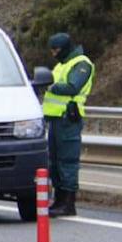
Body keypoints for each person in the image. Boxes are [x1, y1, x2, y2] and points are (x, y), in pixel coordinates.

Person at [42, 32, 94, 217]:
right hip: (55, 120)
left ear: (65, 48)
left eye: (56, 50)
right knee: (54, 162)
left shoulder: (81, 64)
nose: (54, 53)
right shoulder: (61, 65)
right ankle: (58, 200)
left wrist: (50, 86)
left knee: (67, 161)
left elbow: (73, 87)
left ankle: (68, 203)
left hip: (68, 119)